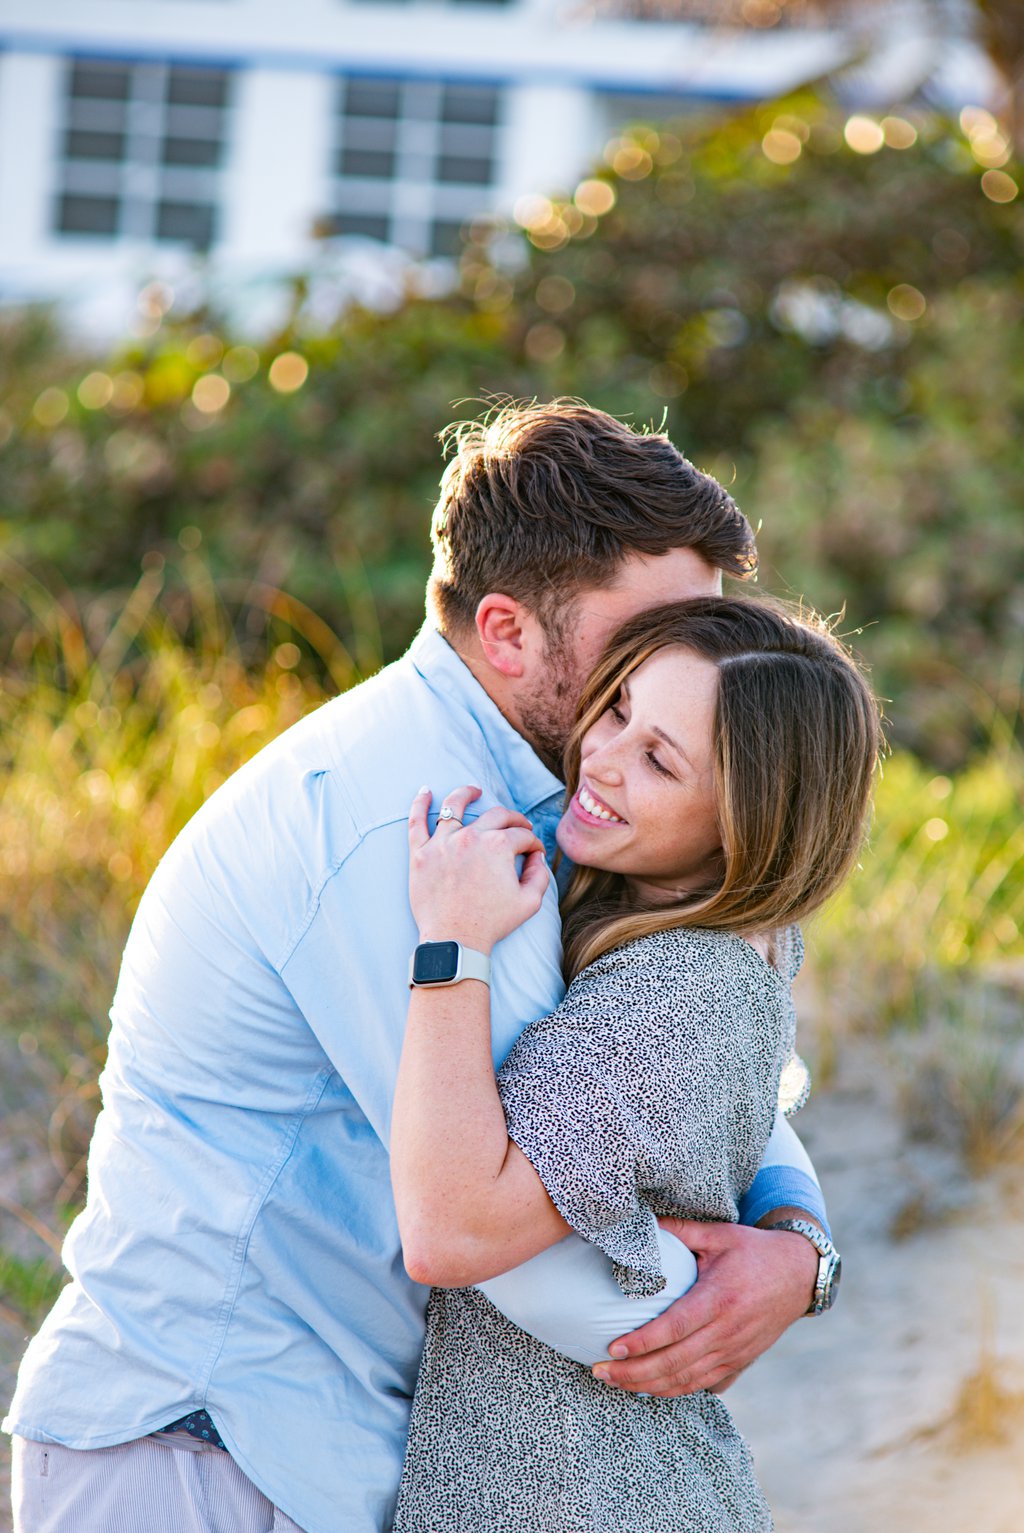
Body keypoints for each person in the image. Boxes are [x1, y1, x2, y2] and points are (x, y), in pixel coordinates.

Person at [6, 402, 831, 1533]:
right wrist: (731, 1302)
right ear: (506, 633)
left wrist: (795, 1245)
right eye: (647, 639)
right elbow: (509, 1239)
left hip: (311, 1452)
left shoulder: (556, 809)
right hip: (201, 1452)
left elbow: (660, 1067)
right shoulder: (414, 823)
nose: (695, 665)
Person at [391, 595, 879, 1531]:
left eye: (660, 760)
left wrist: (451, 943)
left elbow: (450, 1231)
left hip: (585, 1498)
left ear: (743, 826)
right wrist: (802, 1241)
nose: (601, 760)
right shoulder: (719, 926)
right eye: (617, 709)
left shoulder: (680, 989)